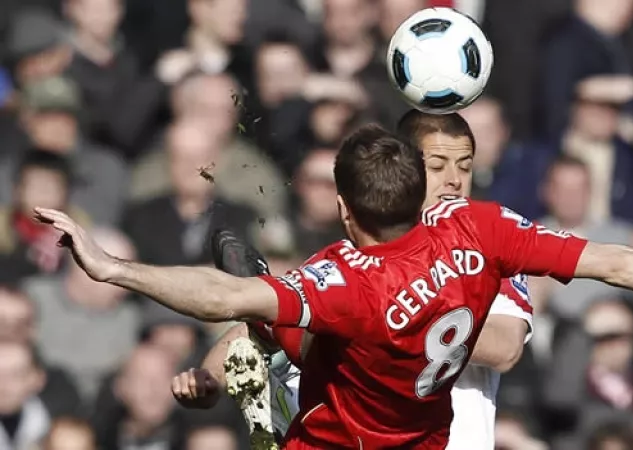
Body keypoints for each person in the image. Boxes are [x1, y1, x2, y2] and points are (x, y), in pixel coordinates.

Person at [35, 124, 633, 449]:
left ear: (342, 208)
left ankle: (273, 370)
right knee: (279, 317)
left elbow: (219, 296)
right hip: (425, 433)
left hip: (339, 439)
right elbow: (623, 263)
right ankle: (263, 353)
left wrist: (114, 267)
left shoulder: (345, 281)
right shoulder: (485, 231)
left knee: (274, 311)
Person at [172, 111, 533, 449]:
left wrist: (388, 317)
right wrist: (209, 379)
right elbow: (250, 331)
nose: (454, 179)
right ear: (407, 171)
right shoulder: (346, 263)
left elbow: (504, 347)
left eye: (466, 166)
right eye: (437, 166)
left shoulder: (489, 252)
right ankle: (289, 396)